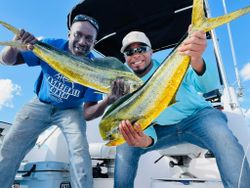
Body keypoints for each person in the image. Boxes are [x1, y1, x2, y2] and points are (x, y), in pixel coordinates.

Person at [0, 14, 126, 188]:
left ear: (94, 43)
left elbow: (88, 113)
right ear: (69, 34)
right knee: (10, 146)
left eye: (89, 38)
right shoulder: (51, 45)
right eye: (78, 35)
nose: (82, 42)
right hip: (40, 104)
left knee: (80, 152)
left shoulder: (96, 68)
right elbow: (7, 61)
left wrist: (109, 100)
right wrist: (15, 45)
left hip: (71, 110)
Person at [114, 30, 250, 188]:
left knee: (222, 136)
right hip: (162, 130)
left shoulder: (172, 65)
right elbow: (142, 124)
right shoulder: (125, 88)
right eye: (130, 52)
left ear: (151, 51)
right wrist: (146, 140)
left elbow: (208, 86)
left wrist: (197, 58)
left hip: (198, 118)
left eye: (141, 49)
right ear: (125, 58)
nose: (136, 55)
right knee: (124, 144)